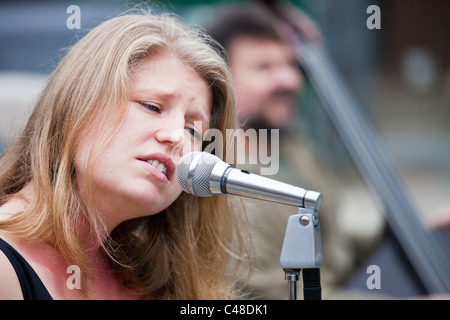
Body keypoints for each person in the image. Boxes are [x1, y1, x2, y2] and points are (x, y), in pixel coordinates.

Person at [0, 10, 250, 300]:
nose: (177, 137)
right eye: (152, 107)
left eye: (193, 130)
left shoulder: (151, 282)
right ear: (77, 104)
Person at [205, 2, 386, 299]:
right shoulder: (217, 179)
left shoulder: (292, 146)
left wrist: (414, 234)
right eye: (264, 67)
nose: (289, 80)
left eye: (291, 64)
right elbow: (264, 293)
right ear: (219, 80)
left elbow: (331, 249)